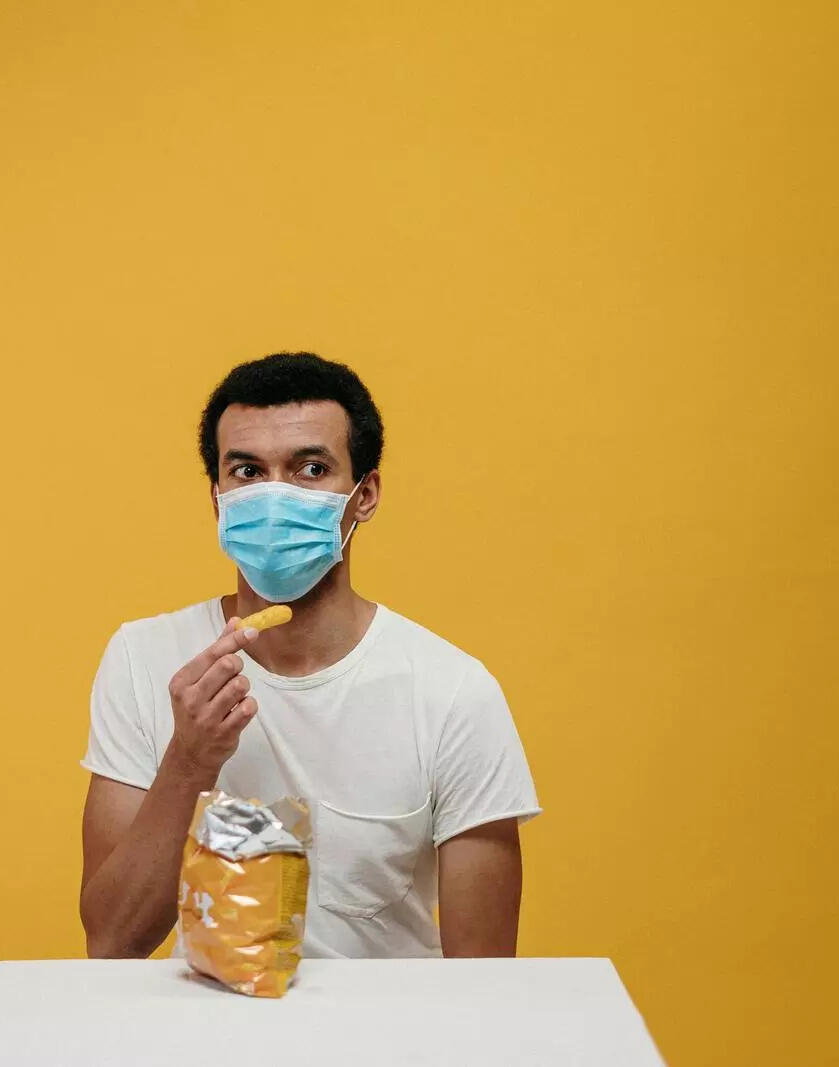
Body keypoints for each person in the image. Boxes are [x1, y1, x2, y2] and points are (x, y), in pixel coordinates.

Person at [79, 352, 539, 960]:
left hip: (389, 1023)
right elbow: (112, 942)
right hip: (210, 1020)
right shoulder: (144, 660)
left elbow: (484, 978)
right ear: (218, 499)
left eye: (311, 469)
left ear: (364, 494)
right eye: (247, 471)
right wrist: (189, 762)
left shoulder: (453, 693)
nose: (274, 496)